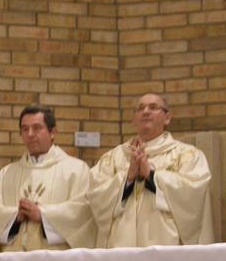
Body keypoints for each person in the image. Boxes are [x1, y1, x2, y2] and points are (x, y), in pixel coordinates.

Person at [87, 93, 214, 247]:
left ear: (167, 118)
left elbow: (194, 193)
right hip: (121, 245)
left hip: (165, 246)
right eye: (140, 109)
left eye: (153, 107)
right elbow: (96, 195)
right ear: (134, 119)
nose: (146, 111)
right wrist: (127, 178)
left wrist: (151, 176)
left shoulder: (188, 155)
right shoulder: (113, 157)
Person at [0, 105, 95, 252]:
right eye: (25, 129)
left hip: (56, 260)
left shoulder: (76, 170)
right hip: (14, 260)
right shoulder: (6, 173)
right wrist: (15, 217)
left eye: (37, 128)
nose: (30, 134)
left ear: (53, 132)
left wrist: (43, 215)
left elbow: (84, 212)